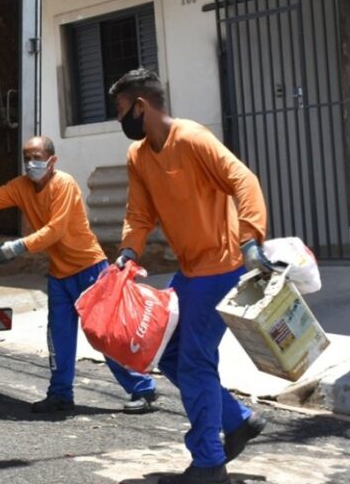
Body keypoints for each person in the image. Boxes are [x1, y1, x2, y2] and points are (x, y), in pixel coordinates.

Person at [109, 68, 269, 484]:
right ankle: (237, 419)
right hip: (190, 271)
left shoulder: (193, 138)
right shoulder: (138, 156)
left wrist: (251, 238)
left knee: (195, 362)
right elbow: (138, 213)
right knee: (164, 349)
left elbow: (244, 180)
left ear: (140, 106)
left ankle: (209, 463)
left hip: (222, 268)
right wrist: (128, 252)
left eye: (121, 109)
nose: (118, 118)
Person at [0, 135, 157, 414]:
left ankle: (143, 389)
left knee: (103, 335)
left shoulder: (64, 184)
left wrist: (18, 247)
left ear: (52, 160)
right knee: (58, 337)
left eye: (36, 158)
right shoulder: (21, 187)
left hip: (89, 271)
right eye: (26, 158)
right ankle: (60, 394)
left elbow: (55, 229)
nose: (30, 164)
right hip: (59, 274)